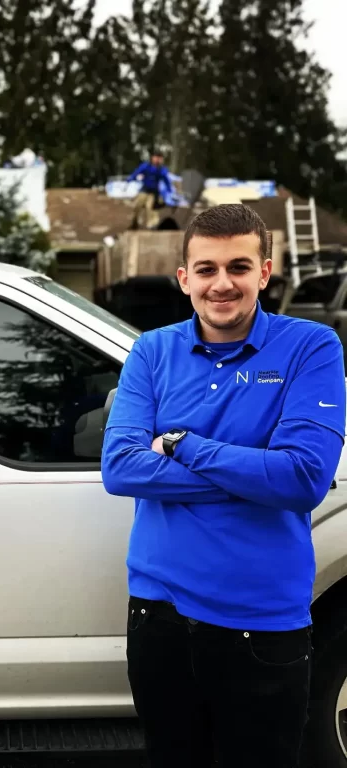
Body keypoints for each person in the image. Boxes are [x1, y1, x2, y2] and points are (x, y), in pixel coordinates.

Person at [101, 204, 346, 768]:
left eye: (238, 267)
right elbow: (120, 468)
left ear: (264, 272)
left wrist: (186, 444)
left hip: (261, 625)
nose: (222, 283)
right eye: (206, 269)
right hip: (158, 620)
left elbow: (304, 477)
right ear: (184, 278)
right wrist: (258, 473)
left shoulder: (311, 347)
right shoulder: (152, 351)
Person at [127, 151, 172, 229]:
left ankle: (151, 225)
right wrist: (130, 179)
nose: (157, 160)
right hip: (144, 190)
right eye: (156, 157)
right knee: (137, 205)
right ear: (152, 158)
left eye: (159, 158)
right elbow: (136, 173)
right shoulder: (146, 166)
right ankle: (135, 222)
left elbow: (166, 180)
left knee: (150, 207)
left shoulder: (162, 169)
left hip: (154, 193)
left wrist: (169, 190)